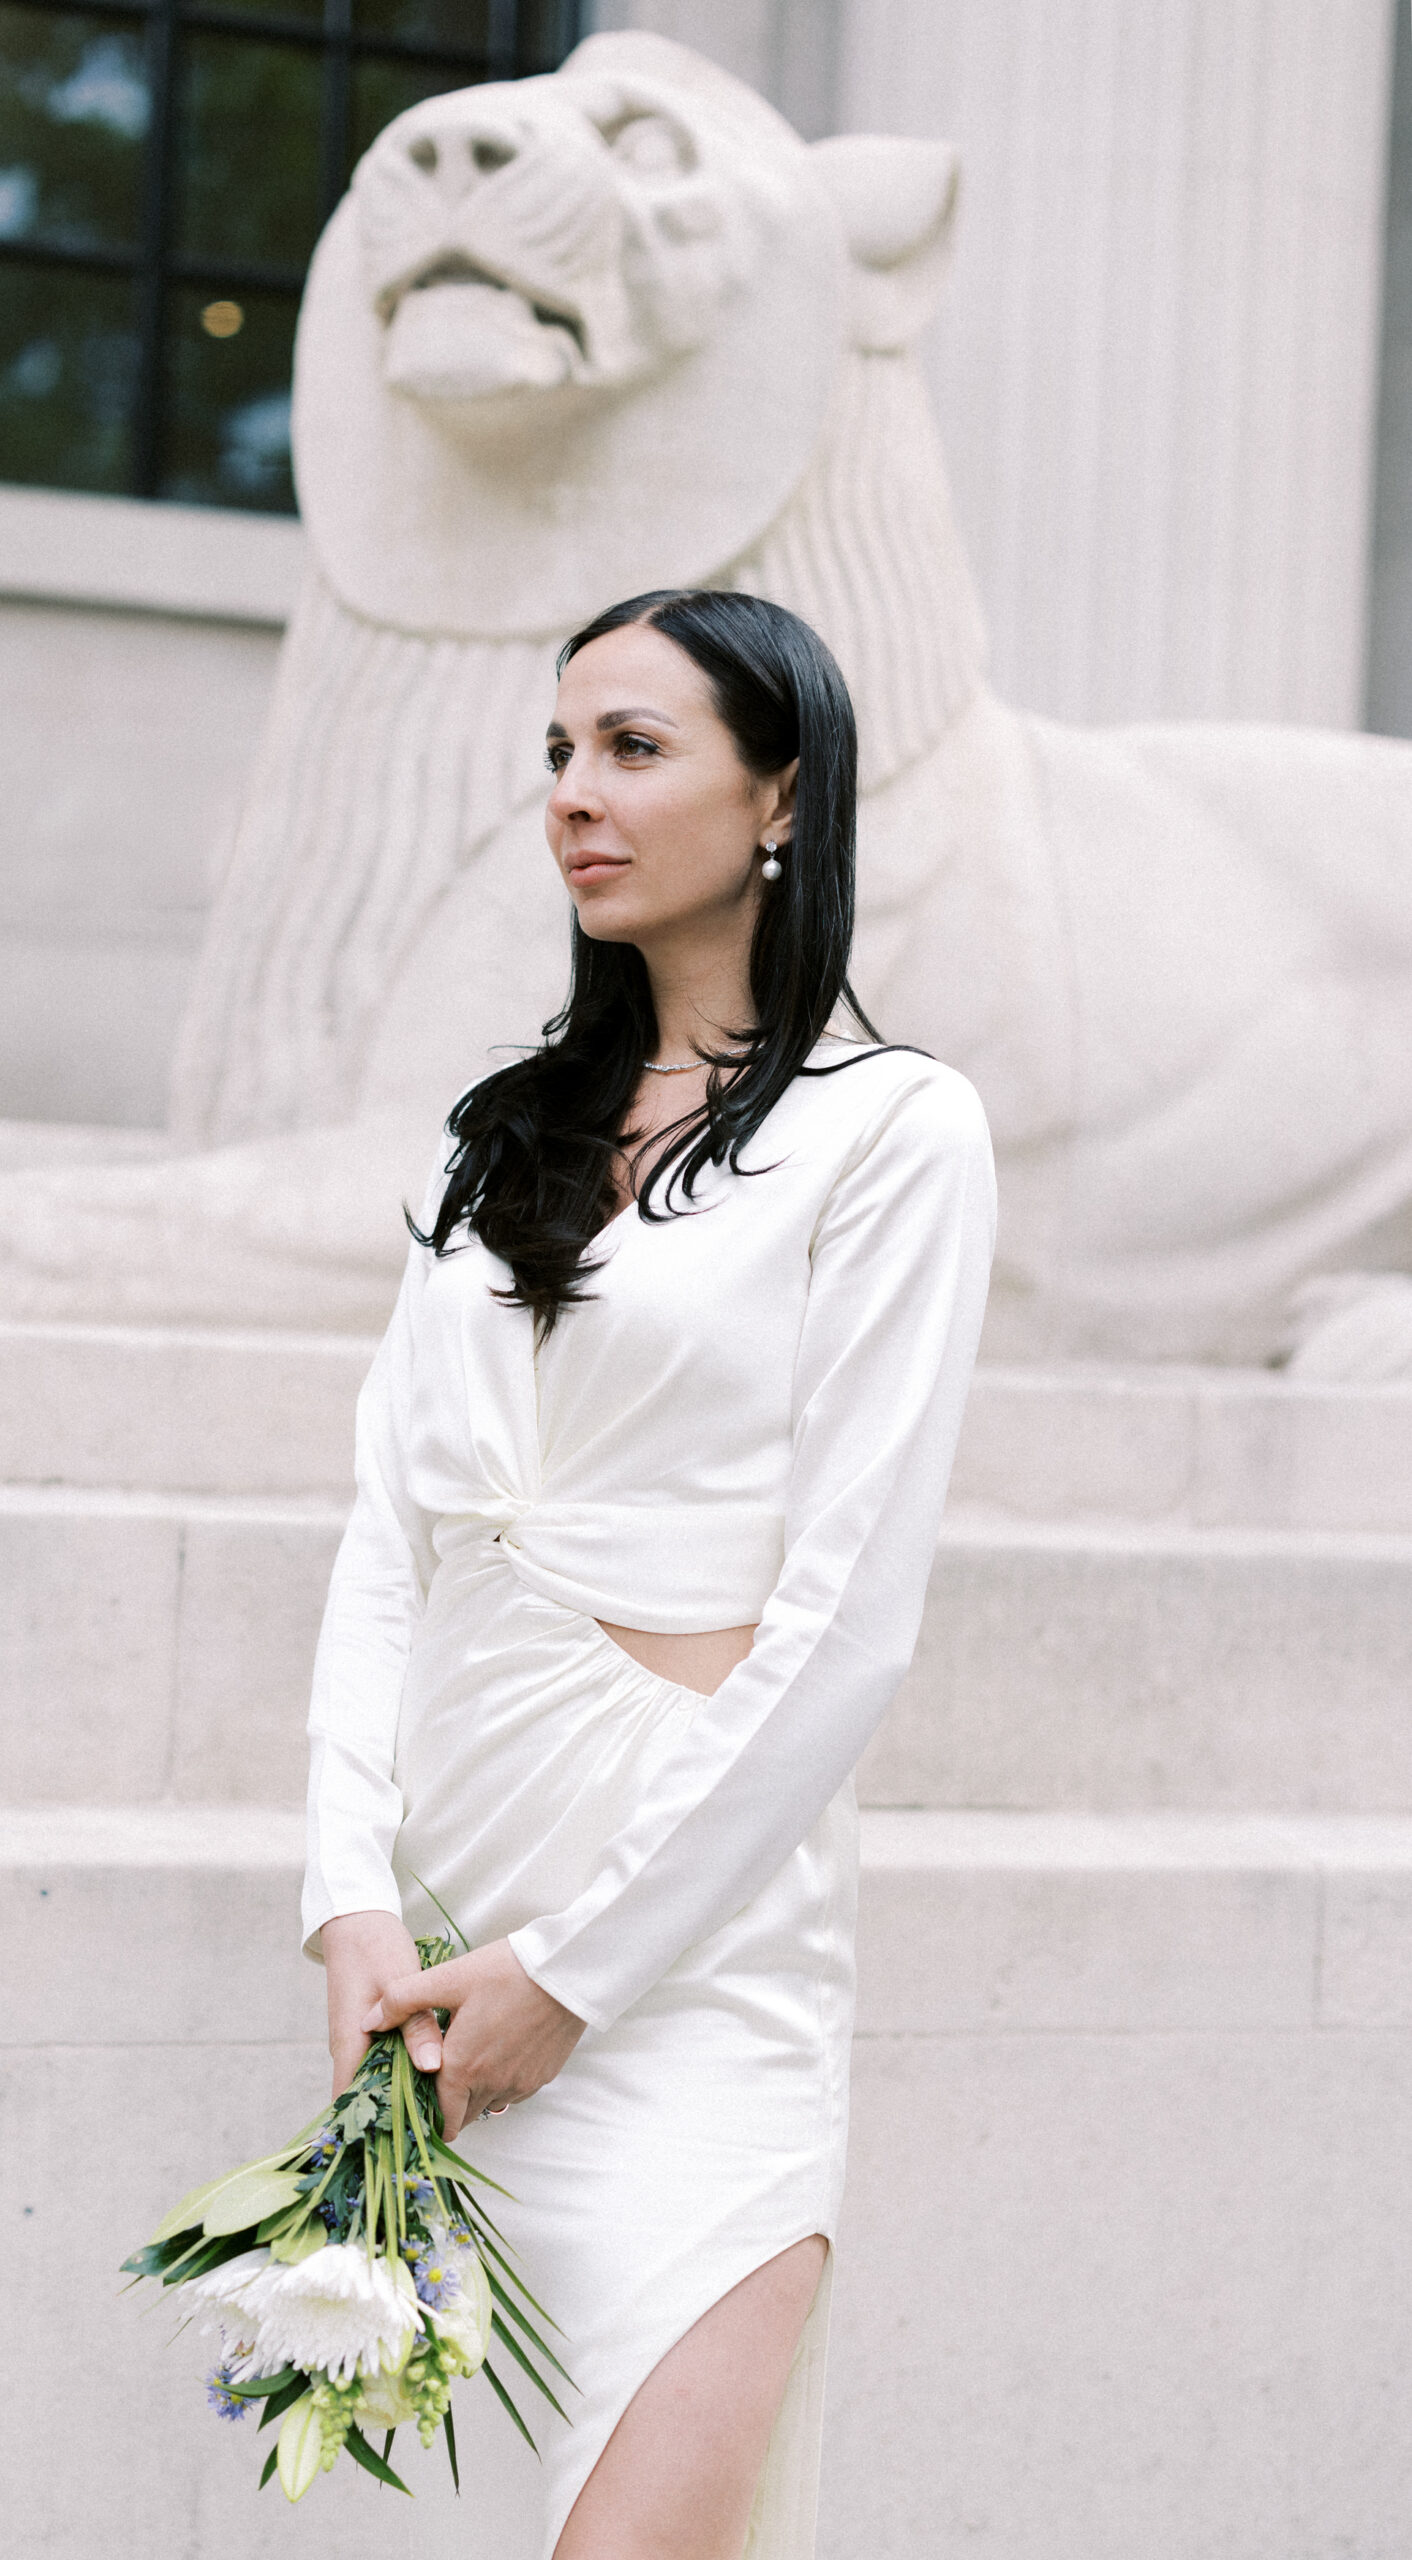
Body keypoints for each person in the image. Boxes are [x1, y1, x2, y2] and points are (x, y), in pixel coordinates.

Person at [304, 589, 996, 2560]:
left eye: (630, 746)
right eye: (554, 753)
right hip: (435, 1938)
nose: (572, 796)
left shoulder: (889, 1134)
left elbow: (848, 1624)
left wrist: (581, 1968)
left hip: (679, 1955)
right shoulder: (492, 1132)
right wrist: (340, 1892)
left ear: (778, 793)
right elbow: (388, 1537)